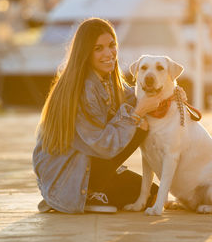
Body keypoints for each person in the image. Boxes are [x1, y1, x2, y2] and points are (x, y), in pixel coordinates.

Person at [32, 18, 163, 214]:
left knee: (154, 195)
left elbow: (134, 96)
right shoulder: (82, 89)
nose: (109, 54)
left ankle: (97, 191)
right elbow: (104, 145)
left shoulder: (107, 80)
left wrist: (172, 92)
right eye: (98, 48)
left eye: (112, 46)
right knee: (140, 125)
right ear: (85, 53)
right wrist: (137, 114)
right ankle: (88, 195)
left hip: (90, 166)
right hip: (67, 179)